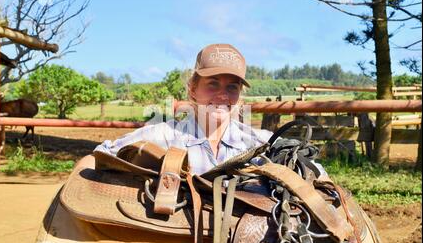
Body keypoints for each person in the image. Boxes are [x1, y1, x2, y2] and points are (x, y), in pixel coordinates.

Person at [95, 43, 325, 175]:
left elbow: (318, 173)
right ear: (193, 89)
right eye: (212, 84)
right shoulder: (163, 135)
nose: (223, 95)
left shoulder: (258, 142)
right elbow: (100, 155)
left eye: (232, 87)